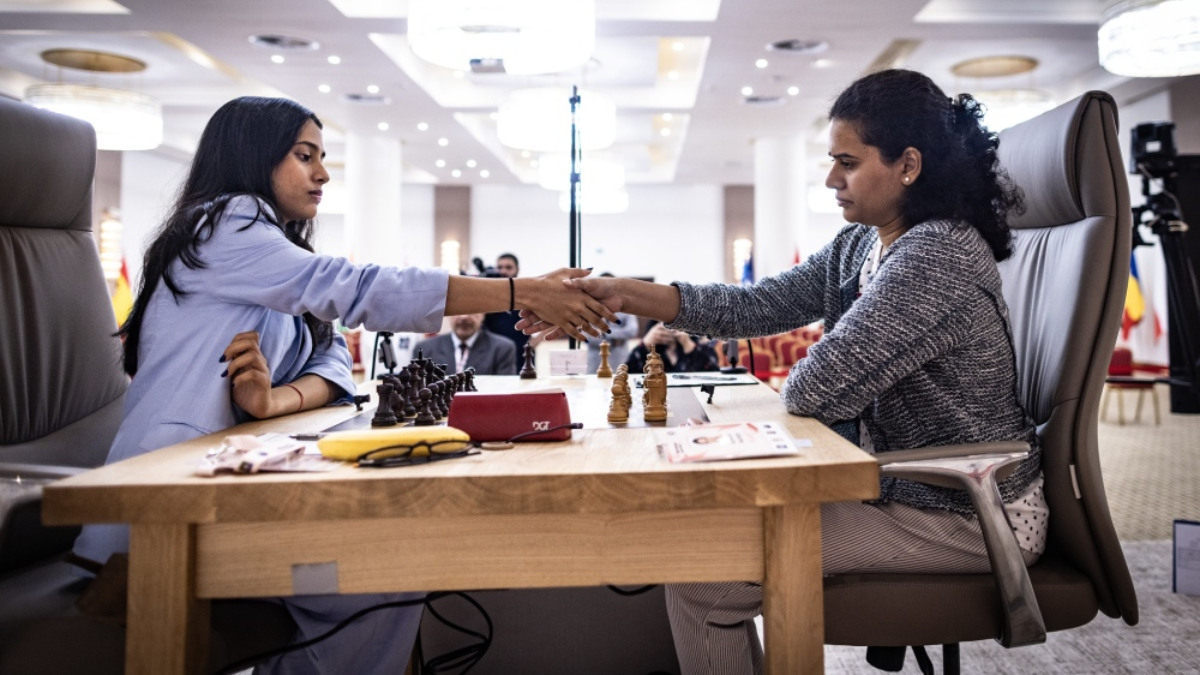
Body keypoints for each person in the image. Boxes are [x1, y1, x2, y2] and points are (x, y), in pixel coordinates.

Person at [521, 69, 1043, 675]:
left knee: (704, 580)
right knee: (712, 539)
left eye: (847, 162)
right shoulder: (865, 244)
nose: (831, 179)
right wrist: (622, 293)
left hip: (966, 513)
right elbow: (754, 305)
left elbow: (814, 387)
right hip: (907, 486)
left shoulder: (937, 256)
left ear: (908, 165)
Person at [69, 96, 615, 674]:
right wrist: (517, 292)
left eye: (322, 157)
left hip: (230, 488)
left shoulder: (273, 248)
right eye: (305, 156)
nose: (323, 173)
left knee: (387, 564)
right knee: (380, 573)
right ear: (253, 157)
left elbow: (329, 356)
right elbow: (356, 290)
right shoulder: (223, 224)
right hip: (169, 501)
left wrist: (277, 398)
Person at [417, 312, 517, 375]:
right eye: (458, 310)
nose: (464, 317)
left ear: (483, 314)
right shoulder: (425, 349)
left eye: (471, 311)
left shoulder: (502, 349)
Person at [482, 252, 531, 360]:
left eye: (508, 267)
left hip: (521, 356)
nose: (503, 271)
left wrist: (534, 343)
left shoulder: (527, 295)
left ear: (517, 269)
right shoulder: (488, 297)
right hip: (494, 357)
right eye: (499, 267)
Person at [587, 272, 639, 373]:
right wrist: (617, 339)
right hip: (595, 366)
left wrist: (604, 334)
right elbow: (587, 336)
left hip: (620, 363)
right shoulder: (589, 309)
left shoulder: (625, 309)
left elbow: (632, 330)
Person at [624, 320, 719, 373]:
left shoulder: (698, 348)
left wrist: (688, 344)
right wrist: (645, 344)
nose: (669, 329)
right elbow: (628, 373)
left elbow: (713, 372)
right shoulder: (646, 351)